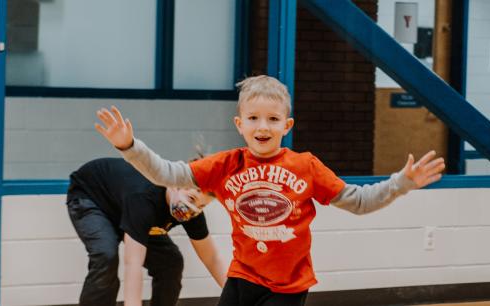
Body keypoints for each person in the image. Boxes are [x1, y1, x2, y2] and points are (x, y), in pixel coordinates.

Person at [94, 75, 445, 306]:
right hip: (243, 277)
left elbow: (360, 201)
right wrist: (130, 147)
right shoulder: (225, 165)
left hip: (288, 287)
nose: (263, 126)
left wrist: (402, 183)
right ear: (240, 124)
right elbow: (166, 173)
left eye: (273, 119)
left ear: (287, 125)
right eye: (254, 118)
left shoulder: (305, 166)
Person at [66, 157, 227, 306]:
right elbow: (133, 264)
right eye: (191, 199)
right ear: (173, 183)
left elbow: (212, 258)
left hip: (125, 206)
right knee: (106, 255)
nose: (193, 209)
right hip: (92, 197)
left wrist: (239, 298)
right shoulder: (144, 198)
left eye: (202, 206)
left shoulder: (192, 211)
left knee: (170, 262)